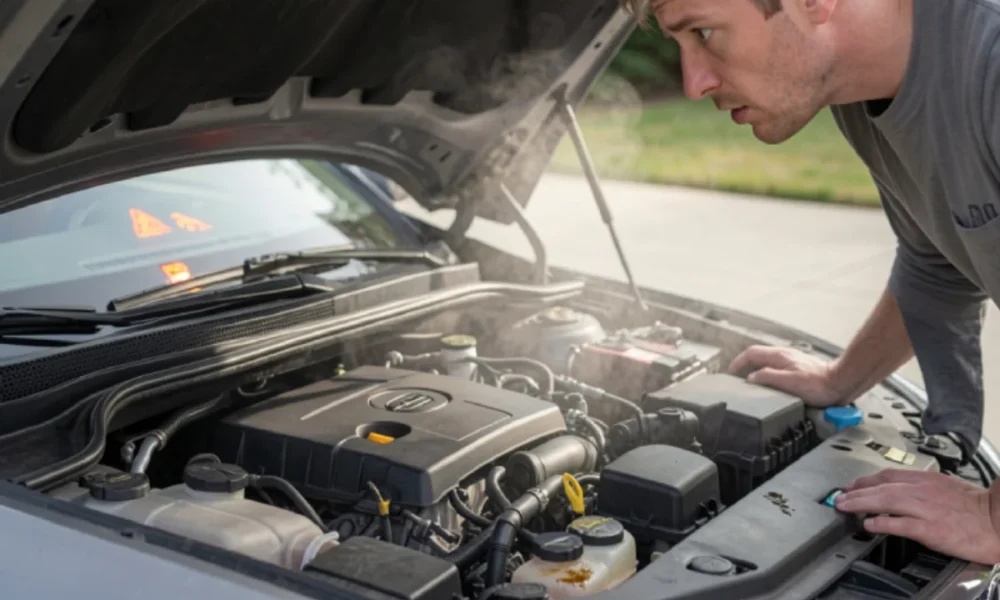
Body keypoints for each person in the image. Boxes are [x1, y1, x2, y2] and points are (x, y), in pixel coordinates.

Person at [617, 0, 1000, 565]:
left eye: (704, 32)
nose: (693, 83)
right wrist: (842, 379)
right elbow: (937, 258)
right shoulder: (860, 88)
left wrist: (992, 519)